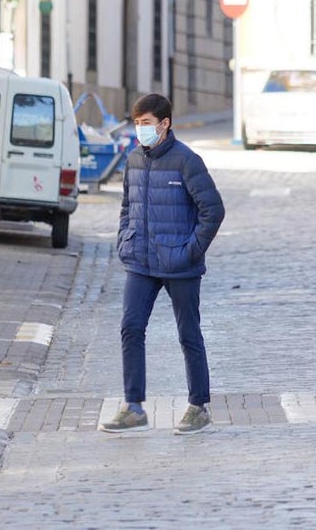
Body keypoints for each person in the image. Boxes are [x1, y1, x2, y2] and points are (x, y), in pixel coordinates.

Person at [101, 93, 225, 435]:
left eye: (147, 124)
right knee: (130, 327)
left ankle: (198, 407)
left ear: (165, 124)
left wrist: (190, 251)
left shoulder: (187, 161)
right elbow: (127, 205)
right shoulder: (134, 160)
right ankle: (133, 406)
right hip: (140, 261)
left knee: (188, 334)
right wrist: (125, 238)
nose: (141, 130)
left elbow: (213, 211)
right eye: (137, 123)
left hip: (180, 264)